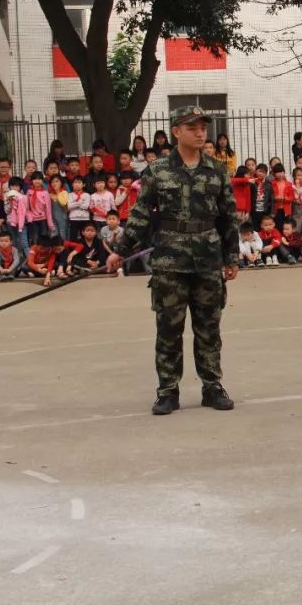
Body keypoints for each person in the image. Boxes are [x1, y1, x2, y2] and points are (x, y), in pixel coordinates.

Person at [107, 106, 240, 416]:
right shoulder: (157, 171)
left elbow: (229, 217)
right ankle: (168, 391)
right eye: (192, 126)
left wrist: (231, 257)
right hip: (170, 261)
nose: (200, 132)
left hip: (208, 259)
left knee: (209, 328)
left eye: (203, 126)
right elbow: (140, 215)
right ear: (176, 131)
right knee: (169, 328)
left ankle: (212, 386)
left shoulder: (217, 170)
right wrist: (121, 250)